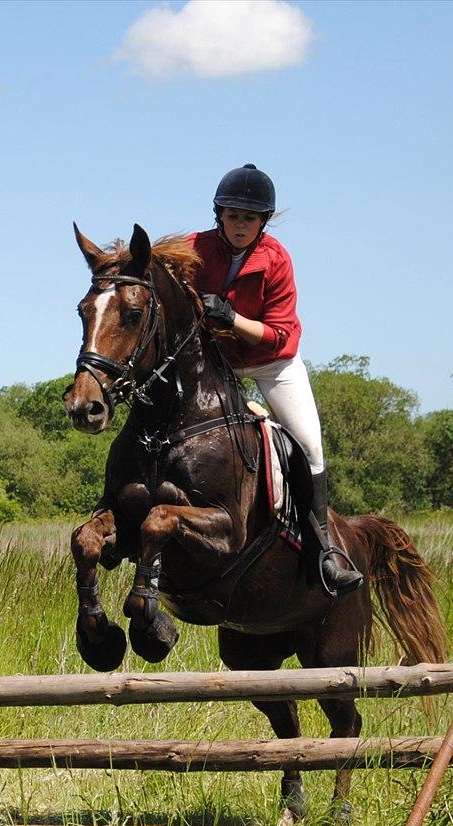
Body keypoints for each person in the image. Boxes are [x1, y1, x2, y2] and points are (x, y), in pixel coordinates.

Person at [189, 163, 363, 596]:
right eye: (232, 215)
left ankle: (325, 550)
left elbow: (281, 335)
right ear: (219, 215)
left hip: (272, 362)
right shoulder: (194, 248)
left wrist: (232, 317)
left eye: (249, 218)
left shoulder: (277, 259)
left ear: (263, 221)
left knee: (309, 445)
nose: (240, 224)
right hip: (219, 363)